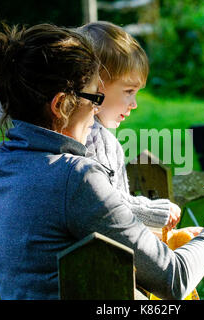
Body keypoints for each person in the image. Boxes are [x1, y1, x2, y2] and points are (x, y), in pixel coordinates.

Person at [0, 23, 204, 300]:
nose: (97, 111)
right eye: (95, 97)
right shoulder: (76, 177)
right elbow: (174, 279)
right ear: (60, 106)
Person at [78, 21, 181, 233]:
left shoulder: (93, 133)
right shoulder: (92, 139)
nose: (134, 104)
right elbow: (103, 203)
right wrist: (153, 211)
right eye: (128, 91)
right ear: (95, 85)